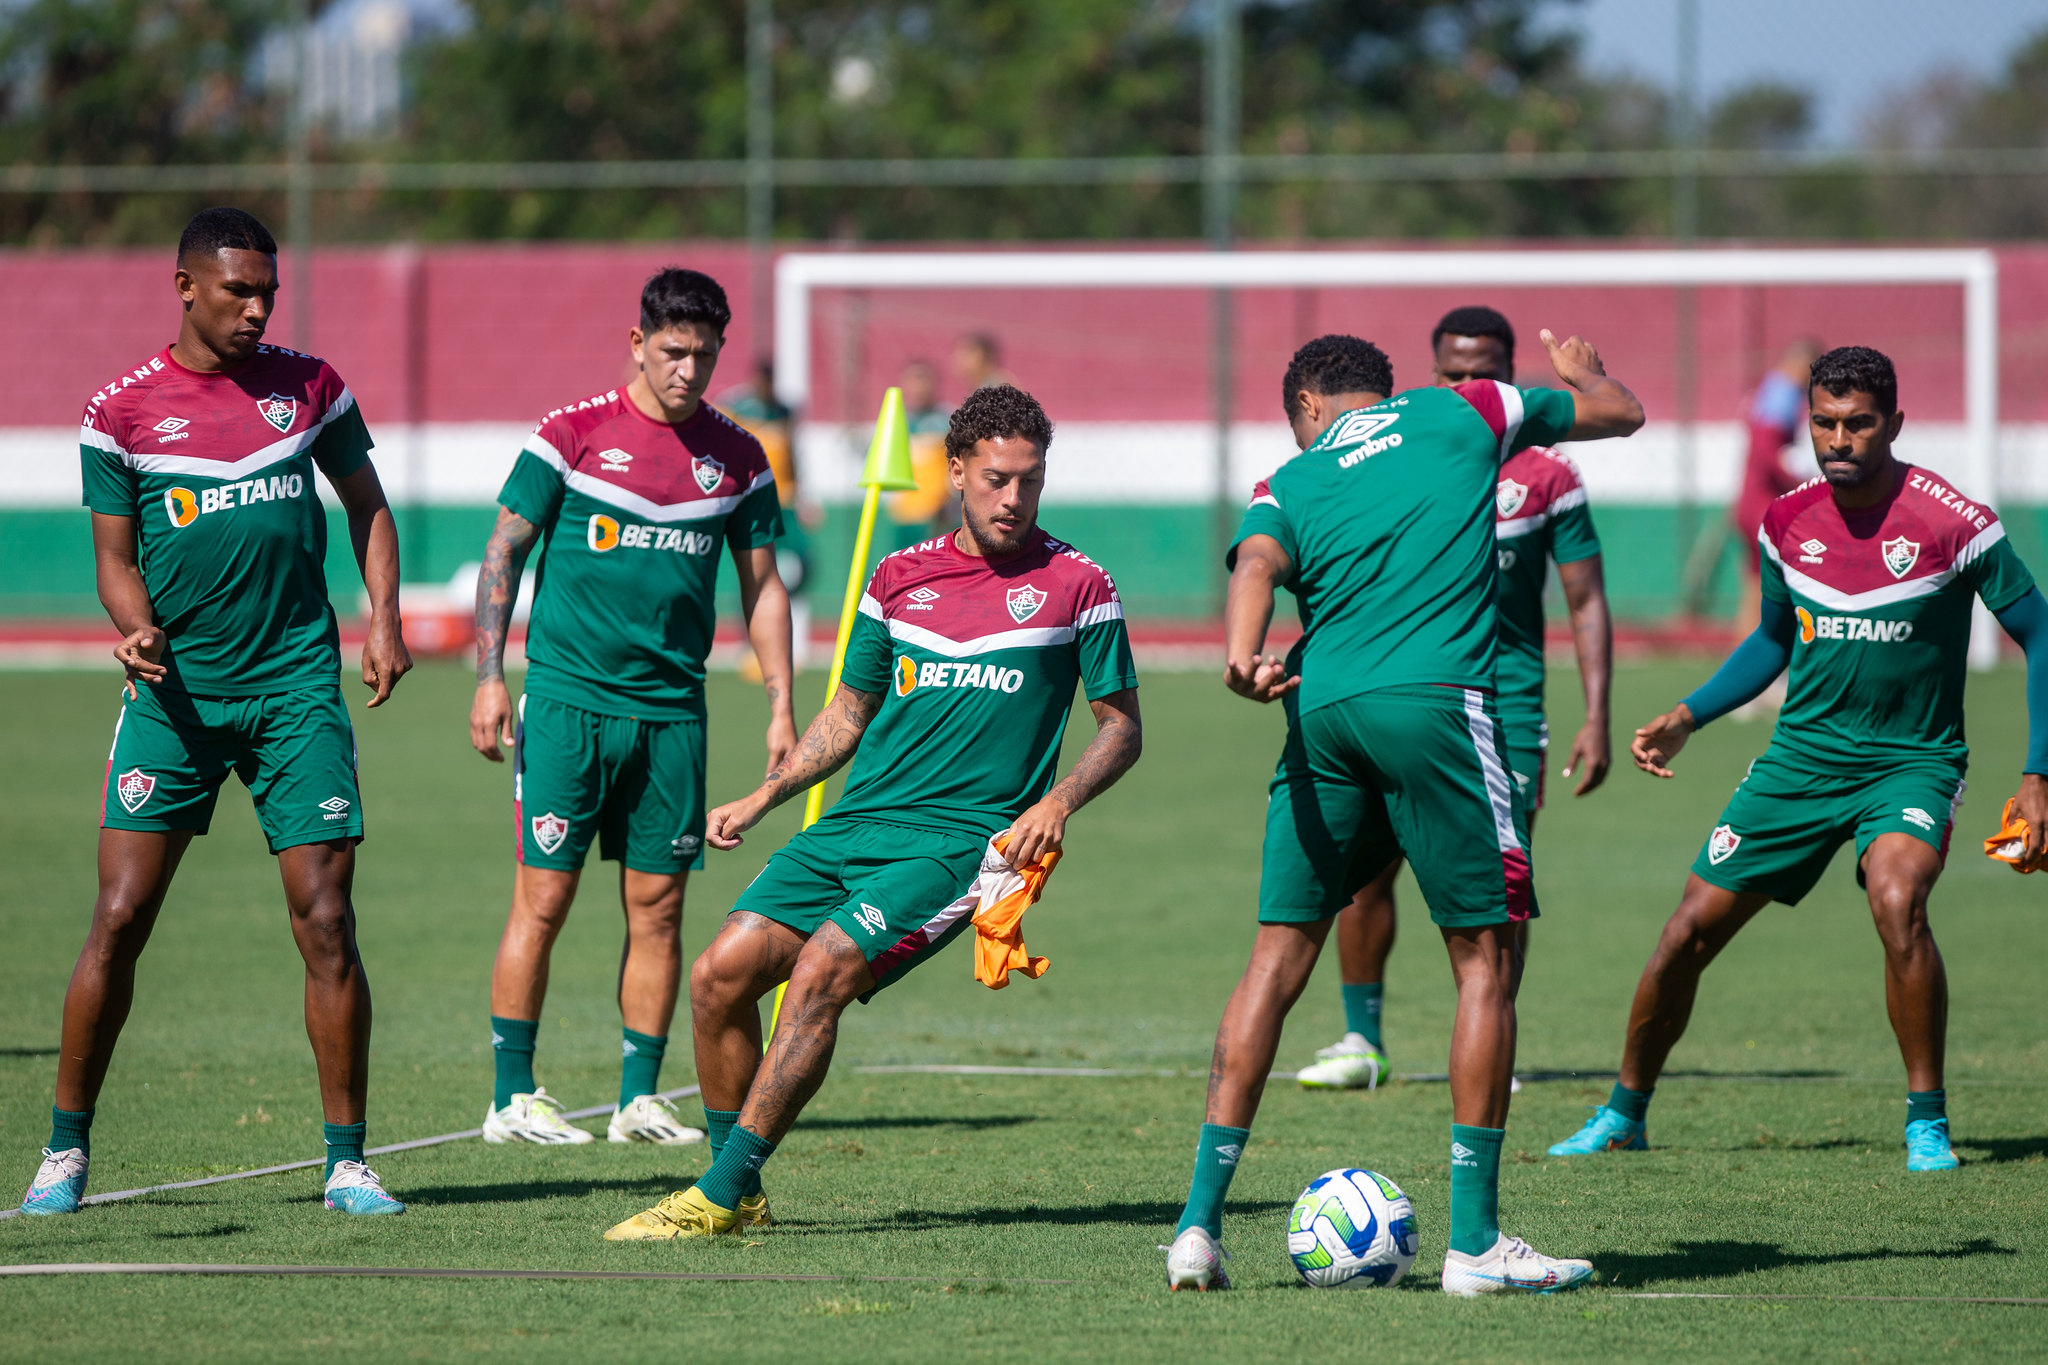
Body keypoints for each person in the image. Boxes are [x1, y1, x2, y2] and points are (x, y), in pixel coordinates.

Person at [602, 383, 1142, 1240]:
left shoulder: (1079, 583)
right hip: (855, 827)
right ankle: (735, 1190)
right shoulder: (897, 577)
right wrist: (766, 791)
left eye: (1030, 481)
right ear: (955, 470)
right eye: (997, 479)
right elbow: (847, 715)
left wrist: (1058, 800)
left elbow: (1122, 727)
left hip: (964, 845)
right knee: (716, 979)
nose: (1014, 498)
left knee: (819, 974)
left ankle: (715, 1193)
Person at [1163, 331, 1644, 1294]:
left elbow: (1255, 564)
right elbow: (1620, 413)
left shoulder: (1287, 479)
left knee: (1274, 957)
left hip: (1324, 711)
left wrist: (1244, 653)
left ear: (1304, 406)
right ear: (1389, 389)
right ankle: (1475, 1245)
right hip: (1438, 704)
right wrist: (1582, 368)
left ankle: (1196, 1231)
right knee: (1485, 958)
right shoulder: (1459, 409)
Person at [1549, 345, 2048, 1173]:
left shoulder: (1955, 520)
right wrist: (1690, 713)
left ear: (1893, 422)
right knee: (1684, 934)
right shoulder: (1788, 520)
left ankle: (1927, 1120)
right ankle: (1623, 1110)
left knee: (1898, 900)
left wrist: (2037, 773)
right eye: (1824, 423)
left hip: (1910, 761)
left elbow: (2039, 630)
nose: (1839, 439)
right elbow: (1772, 638)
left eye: (1858, 423)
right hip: (1801, 762)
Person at [20, 207, 412, 1217]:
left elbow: (370, 506)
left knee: (327, 921)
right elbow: (114, 560)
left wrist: (383, 619)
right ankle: (64, 1151)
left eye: (266, 292)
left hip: (293, 690)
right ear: (185, 286)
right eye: (236, 290)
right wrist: (135, 626)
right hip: (174, 696)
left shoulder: (311, 388)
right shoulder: (120, 413)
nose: (254, 309)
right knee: (119, 918)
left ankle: (347, 1162)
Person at [469, 268, 795, 1147]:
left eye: (704, 353)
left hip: (673, 716)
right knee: (543, 900)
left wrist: (779, 706)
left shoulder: (739, 456)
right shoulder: (569, 436)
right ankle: (511, 1096)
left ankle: (637, 1099)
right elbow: (503, 549)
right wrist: (490, 675)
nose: (689, 369)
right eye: (673, 351)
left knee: (658, 909)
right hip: (571, 705)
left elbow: (762, 588)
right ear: (637, 344)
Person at [1299, 305, 1613, 1091]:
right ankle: (1360, 1040)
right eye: (1452, 370)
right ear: (1429, 374)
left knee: (1498, 887)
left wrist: (1598, 714)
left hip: (1505, 707)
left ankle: (1488, 1037)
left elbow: (1584, 601)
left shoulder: (1548, 475)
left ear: (1509, 376)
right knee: (1365, 874)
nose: (1468, 383)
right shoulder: (1402, 458)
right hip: (1409, 695)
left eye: (1485, 372)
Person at [717, 357, 814, 670]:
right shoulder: (737, 406)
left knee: (800, 564)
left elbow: (794, 452)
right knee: (753, 569)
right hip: (750, 498)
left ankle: (787, 636)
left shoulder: (784, 410)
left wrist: (802, 494)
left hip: (784, 499)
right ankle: (750, 645)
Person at [1734, 340, 1822, 635]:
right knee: (1778, 585)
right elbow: (1768, 453)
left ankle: (1745, 657)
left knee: (1754, 585)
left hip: (1748, 501)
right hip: (1764, 505)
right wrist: (1804, 485)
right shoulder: (1783, 394)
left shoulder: (1767, 389)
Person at [886, 357, 955, 549]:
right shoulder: (898, 422)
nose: (918, 386)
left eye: (922, 379)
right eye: (913, 380)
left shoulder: (948, 421)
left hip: (935, 516)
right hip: (904, 516)